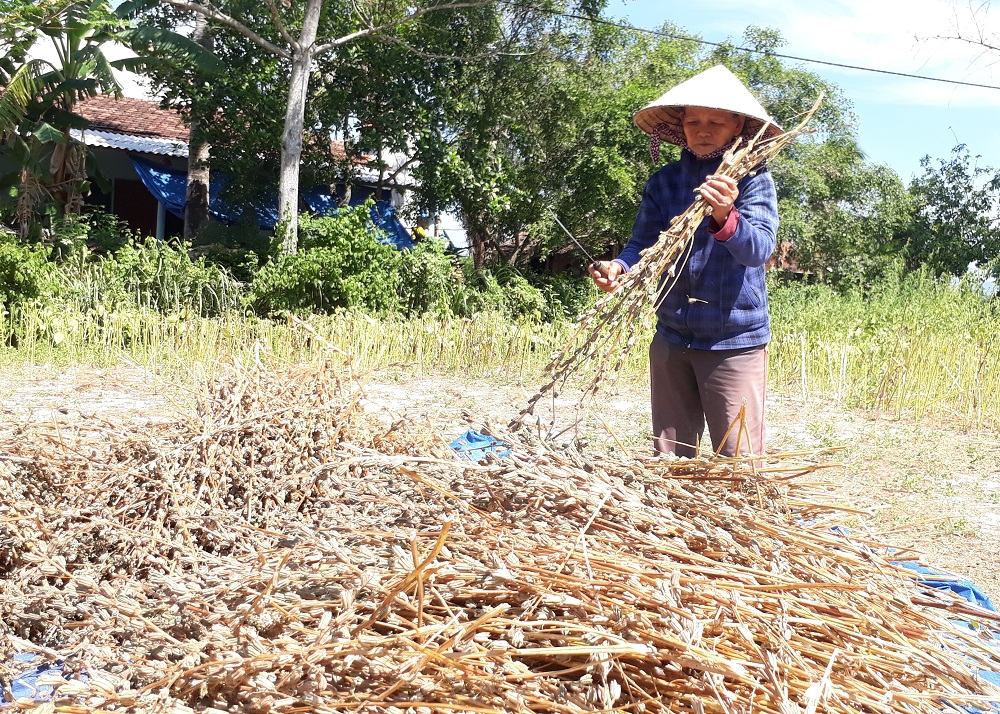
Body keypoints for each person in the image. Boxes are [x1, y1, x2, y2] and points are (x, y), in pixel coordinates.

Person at [588, 64, 780, 459]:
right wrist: (620, 269)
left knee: (739, 465)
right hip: (673, 334)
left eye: (715, 122)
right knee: (671, 459)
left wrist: (726, 216)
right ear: (681, 125)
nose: (703, 130)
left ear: (737, 126)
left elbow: (759, 249)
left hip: (734, 339)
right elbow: (643, 243)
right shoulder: (664, 181)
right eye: (693, 121)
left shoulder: (753, 180)